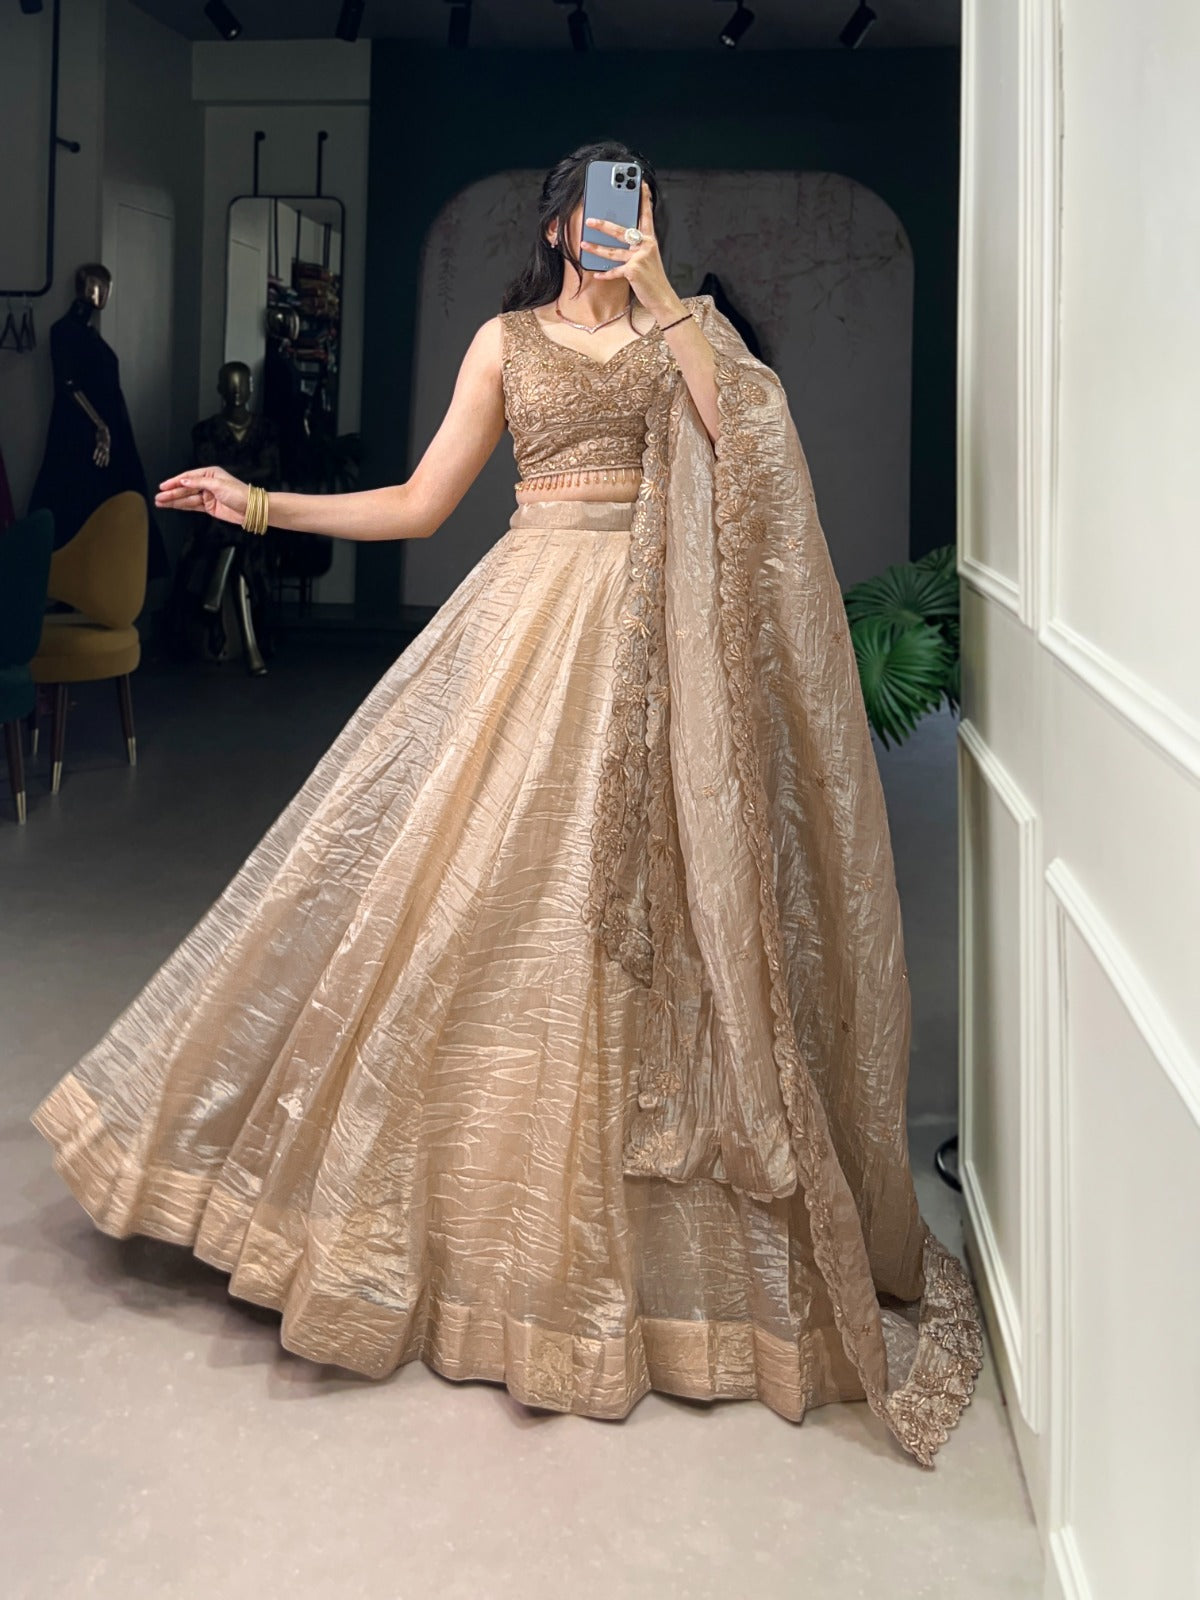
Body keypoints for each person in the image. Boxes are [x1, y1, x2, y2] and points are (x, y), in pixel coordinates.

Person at [29, 141, 984, 1468]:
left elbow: (752, 453)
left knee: (646, 920)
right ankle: (436, 1225)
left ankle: (634, 1253)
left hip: (657, 653)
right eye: (600, 208)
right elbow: (421, 503)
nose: (619, 225)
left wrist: (667, 296)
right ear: (556, 225)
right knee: (464, 898)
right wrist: (256, 503)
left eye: (639, 206)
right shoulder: (504, 343)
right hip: (524, 627)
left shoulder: (685, 337)